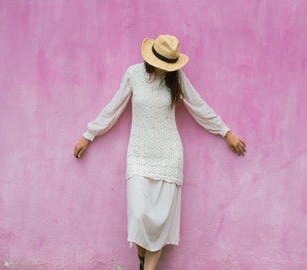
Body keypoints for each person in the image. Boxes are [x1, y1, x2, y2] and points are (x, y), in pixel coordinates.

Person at [74, 35, 246, 270]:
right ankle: (143, 258)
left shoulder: (177, 79)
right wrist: (89, 134)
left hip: (169, 156)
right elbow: (113, 107)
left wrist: (226, 132)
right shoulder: (133, 75)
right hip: (139, 155)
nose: (165, 69)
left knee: (161, 222)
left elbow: (199, 106)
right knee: (139, 215)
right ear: (151, 58)